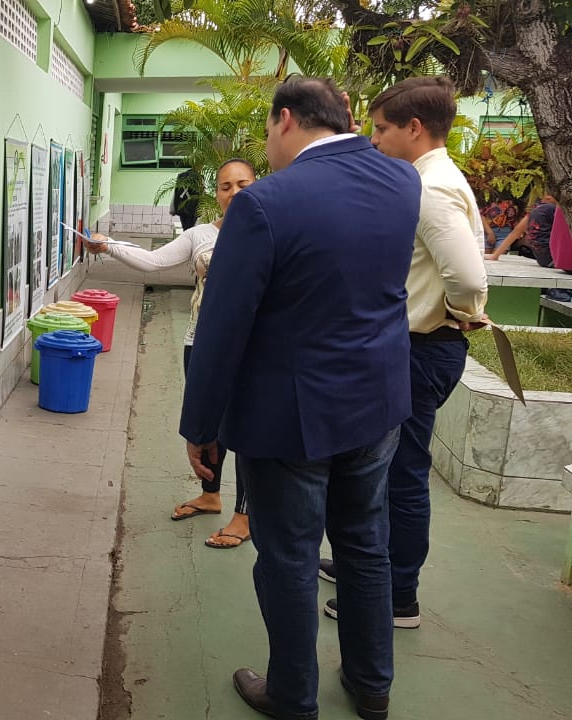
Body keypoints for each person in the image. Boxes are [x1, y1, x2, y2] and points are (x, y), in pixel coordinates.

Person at [180, 77, 421, 720]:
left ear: (285, 120)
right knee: (365, 546)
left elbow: (222, 328)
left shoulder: (264, 205)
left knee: (288, 556)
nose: (268, 145)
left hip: (291, 418)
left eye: (267, 131)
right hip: (376, 406)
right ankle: (372, 685)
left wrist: (202, 425)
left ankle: (292, 695)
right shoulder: (402, 181)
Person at [317, 77, 489, 637]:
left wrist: (461, 311)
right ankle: (367, 569)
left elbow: (469, 277)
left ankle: (397, 596)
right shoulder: (428, 178)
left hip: (422, 349)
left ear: (415, 128)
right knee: (386, 470)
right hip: (414, 347)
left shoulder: (431, 188)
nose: (375, 139)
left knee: (402, 476)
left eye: (382, 129)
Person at [89, 158, 258, 549]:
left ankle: (244, 515)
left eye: (243, 185)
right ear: (216, 193)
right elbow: (154, 261)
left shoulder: (270, 232)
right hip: (200, 341)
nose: (234, 193)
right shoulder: (201, 235)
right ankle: (210, 495)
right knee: (206, 423)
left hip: (248, 349)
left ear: (258, 186)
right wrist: (108, 244)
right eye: (226, 186)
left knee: (245, 428)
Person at [487, 191, 558, 266]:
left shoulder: (534, 210)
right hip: (554, 257)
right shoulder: (553, 209)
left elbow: (516, 232)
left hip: (543, 259)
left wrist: (495, 256)